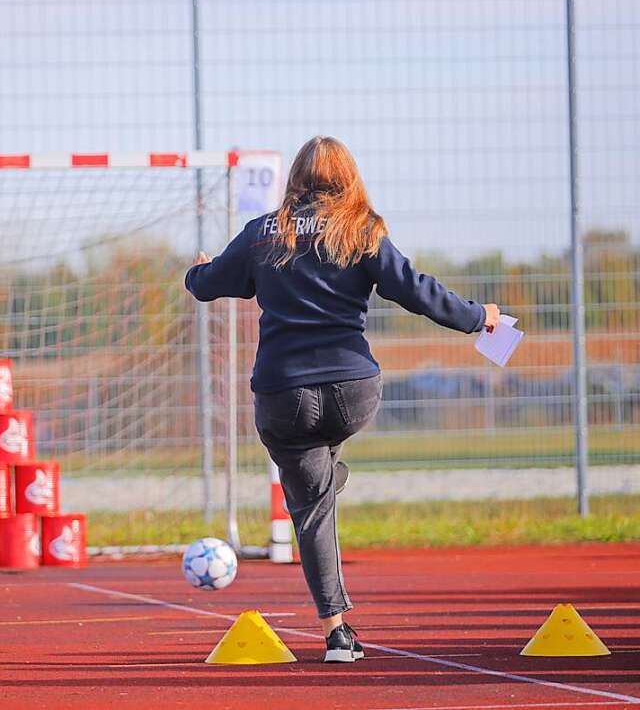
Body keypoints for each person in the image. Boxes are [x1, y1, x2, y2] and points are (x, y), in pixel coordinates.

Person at [185, 136, 500, 663]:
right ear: (349, 178)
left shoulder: (266, 232)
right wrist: (477, 317)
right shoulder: (363, 230)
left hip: (283, 394)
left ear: (294, 181)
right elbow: (416, 290)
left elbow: (211, 284)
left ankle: (335, 632)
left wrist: (197, 270)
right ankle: (325, 486)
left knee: (309, 507)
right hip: (353, 393)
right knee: (317, 485)